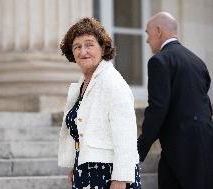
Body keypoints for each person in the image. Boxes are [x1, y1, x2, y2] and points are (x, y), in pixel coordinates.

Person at [58, 17, 141, 189]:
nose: (83, 52)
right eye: (77, 46)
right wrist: (78, 162)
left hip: (110, 175)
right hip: (86, 173)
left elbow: (126, 137)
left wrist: (120, 180)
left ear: (103, 48)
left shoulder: (112, 82)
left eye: (89, 45)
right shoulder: (83, 84)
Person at [138, 11, 213, 189]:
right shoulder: (198, 62)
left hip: (179, 151)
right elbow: (204, 104)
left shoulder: (159, 61)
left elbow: (157, 109)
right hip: (205, 145)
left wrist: (139, 149)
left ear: (158, 31)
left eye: (148, 34)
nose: (147, 40)